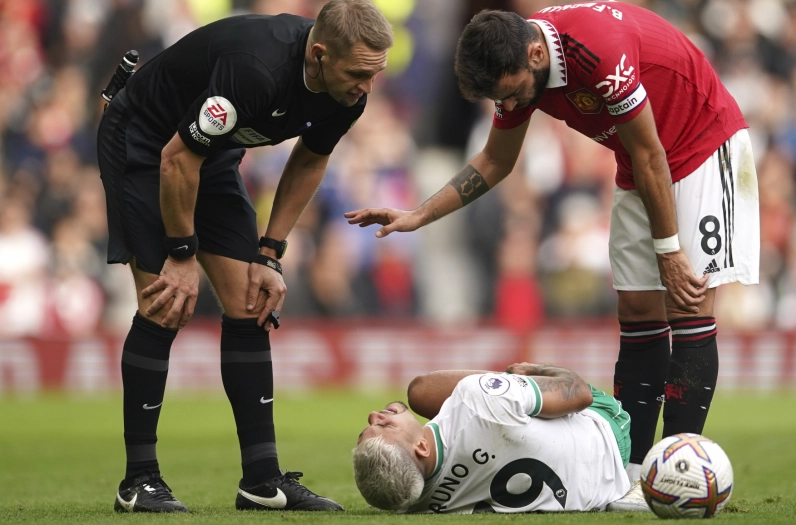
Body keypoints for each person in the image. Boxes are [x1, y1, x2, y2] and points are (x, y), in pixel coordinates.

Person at [345, 3, 758, 510]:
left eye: (512, 92)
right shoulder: (518, 61)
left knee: (689, 304)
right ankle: (633, 475)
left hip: (701, 144)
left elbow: (653, 151)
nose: (510, 103)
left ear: (536, 55)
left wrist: (669, 252)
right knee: (637, 311)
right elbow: (496, 159)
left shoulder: (596, 49)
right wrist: (419, 215)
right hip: (637, 162)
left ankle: (676, 468)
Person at [96, 0, 393, 513]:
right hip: (143, 144)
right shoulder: (256, 70)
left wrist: (270, 252)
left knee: (251, 303)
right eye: (358, 74)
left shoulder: (349, 91)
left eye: (375, 74)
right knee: (165, 303)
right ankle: (138, 481)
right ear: (319, 55)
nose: (366, 87)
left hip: (207, 155)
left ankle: (261, 481)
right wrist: (181, 255)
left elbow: (310, 159)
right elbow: (175, 159)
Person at [353, 363, 635, 513]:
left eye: (365, 431)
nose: (373, 415)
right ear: (422, 447)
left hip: (599, 491)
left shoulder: (413, 504)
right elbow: (579, 392)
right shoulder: (477, 398)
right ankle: (516, 386)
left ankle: (516, 394)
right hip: (607, 432)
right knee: (422, 390)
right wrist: (533, 371)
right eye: (385, 426)